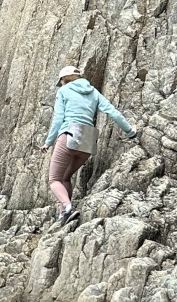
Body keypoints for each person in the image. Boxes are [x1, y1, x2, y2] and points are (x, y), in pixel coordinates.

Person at [45, 65, 136, 227]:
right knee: (65, 177)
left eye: (61, 82)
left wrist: (48, 142)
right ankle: (63, 215)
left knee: (54, 180)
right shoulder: (93, 92)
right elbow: (113, 112)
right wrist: (130, 131)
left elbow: (58, 119)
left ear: (64, 79)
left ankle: (67, 207)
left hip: (69, 135)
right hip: (88, 140)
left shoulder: (63, 91)